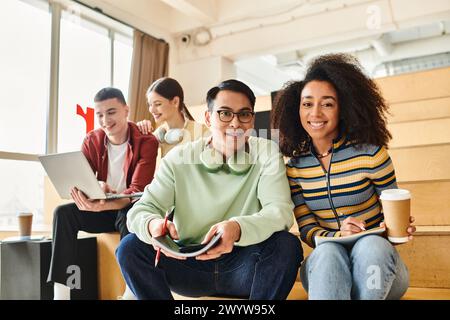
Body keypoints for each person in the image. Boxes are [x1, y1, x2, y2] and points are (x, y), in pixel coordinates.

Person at [116, 79, 303, 300]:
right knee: (130, 248)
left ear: (252, 120)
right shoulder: (179, 158)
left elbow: (279, 211)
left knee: (287, 245)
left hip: (244, 267)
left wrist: (237, 228)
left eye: (244, 114)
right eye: (224, 113)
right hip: (188, 264)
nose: (235, 123)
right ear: (208, 117)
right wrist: (153, 225)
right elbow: (141, 210)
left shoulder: (267, 152)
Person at [272, 53, 416, 300]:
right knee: (327, 252)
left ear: (344, 108)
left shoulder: (371, 155)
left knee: (371, 247)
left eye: (327, 103)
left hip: (380, 270)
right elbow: (307, 230)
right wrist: (339, 236)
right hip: (328, 271)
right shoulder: (295, 168)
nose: (315, 113)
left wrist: (396, 230)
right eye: (307, 104)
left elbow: (391, 218)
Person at [47, 87, 159, 300]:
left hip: (129, 208)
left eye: (111, 112)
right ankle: (61, 293)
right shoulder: (92, 140)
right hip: (103, 208)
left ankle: (130, 293)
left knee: (131, 214)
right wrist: (93, 189)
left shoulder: (147, 141)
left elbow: (136, 193)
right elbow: (82, 179)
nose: (105, 120)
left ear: (126, 110)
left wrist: (106, 201)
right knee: (63, 213)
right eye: (99, 114)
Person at [136, 77, 209, 157]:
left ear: (175, 102)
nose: (152, 110)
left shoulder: (201, 132)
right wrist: (140, 133)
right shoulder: (159, 135)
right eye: (150, 105)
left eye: (158, 104)